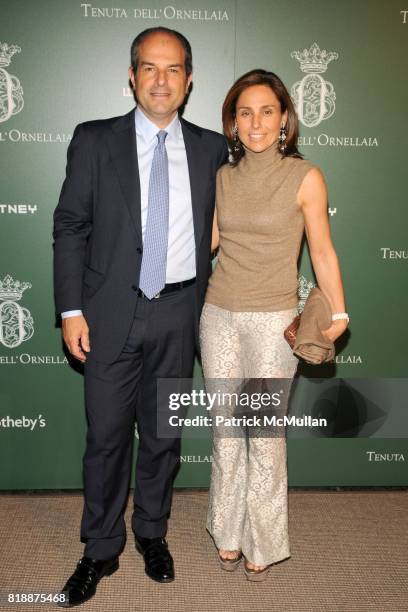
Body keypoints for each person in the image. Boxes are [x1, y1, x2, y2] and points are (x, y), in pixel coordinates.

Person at [53, 27, 228, 606]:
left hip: (180, 313)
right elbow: (71, 227)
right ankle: (100, 549)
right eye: (149, 68)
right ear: (132, 76)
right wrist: (71, 308)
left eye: (173, 69)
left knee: (163, 437)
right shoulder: (95, 140)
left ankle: (151, 533)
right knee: (105, 439)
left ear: (189, 79)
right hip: (106, 313)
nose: (161, 80)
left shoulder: (209, 148)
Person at [199, 69, 348, 581]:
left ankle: (263, 540)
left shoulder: (305, 176)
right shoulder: (220, 176)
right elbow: (210, 244)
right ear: (233, 123)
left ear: (284, 118)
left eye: (267, 111)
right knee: (225, 432)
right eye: (245, 112)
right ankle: (228, 531)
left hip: (271, 323)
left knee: (262, 434)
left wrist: (340, 313)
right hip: (217, 316)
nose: (256, 122)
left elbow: (323, 252)